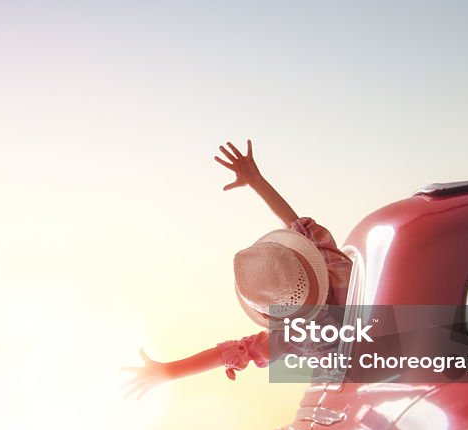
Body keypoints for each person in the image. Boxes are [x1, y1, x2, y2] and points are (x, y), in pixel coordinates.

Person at [122, 140, 352, 398]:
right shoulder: (329, 258)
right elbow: (294, 221)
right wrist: (256, 180)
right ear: (301, 259)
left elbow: (237, 350)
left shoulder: (299, 336)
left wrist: (168, 371)